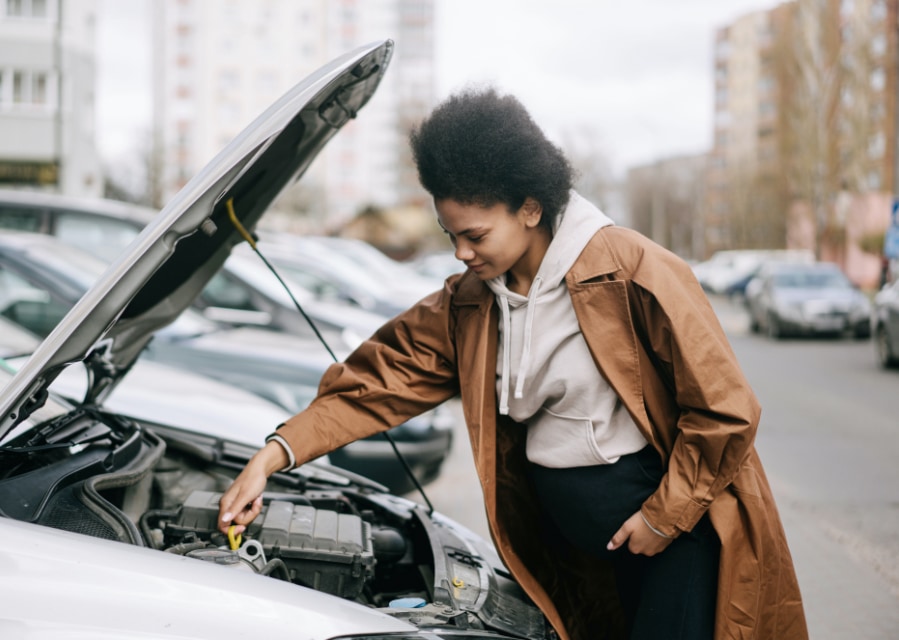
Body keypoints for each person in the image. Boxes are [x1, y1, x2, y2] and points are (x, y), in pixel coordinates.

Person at [218, 87, 808, 640]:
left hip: (670, 545)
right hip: (577, 558)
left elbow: (724, 409)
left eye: (474, 234)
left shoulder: (631, 270)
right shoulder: (469, 301)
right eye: (450, 234)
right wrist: (272, 455)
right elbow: (379, 381)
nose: (460, 252)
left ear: (531, 207)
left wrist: (662, 519)